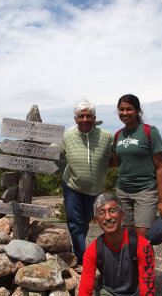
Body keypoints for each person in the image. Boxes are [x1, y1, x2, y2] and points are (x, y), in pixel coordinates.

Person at [60, 99, 114, 267]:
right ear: (75, 119)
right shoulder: (67, 136)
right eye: (81, 116)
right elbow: (51, 150)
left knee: (84, 223)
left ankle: (79, 254)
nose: (85, 120)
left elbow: (120, 156)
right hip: (72, 185)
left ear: (94, 117)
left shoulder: (106, 136)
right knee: (75, 223)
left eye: (88, 116)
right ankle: (83, 259)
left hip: (94, 189)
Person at [112, 94, 162, 238]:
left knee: (143, 238)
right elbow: (112, 162)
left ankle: (146, 262)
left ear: (137, 110)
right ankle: (128, 262)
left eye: (129, 109)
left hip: (145, 191)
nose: (124, 113)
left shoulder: (150, 132)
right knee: (126, 236)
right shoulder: (118, 135)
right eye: (121, 109)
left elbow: (160, 166)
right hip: (122, 191)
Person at [79, 193, 155, 296]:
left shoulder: (141, 245)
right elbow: (85, 288)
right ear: (97, 220)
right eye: (101, 212)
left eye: (112, 211)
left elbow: (147, 289)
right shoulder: (93, 250)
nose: (108, 217)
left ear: (122, 215)